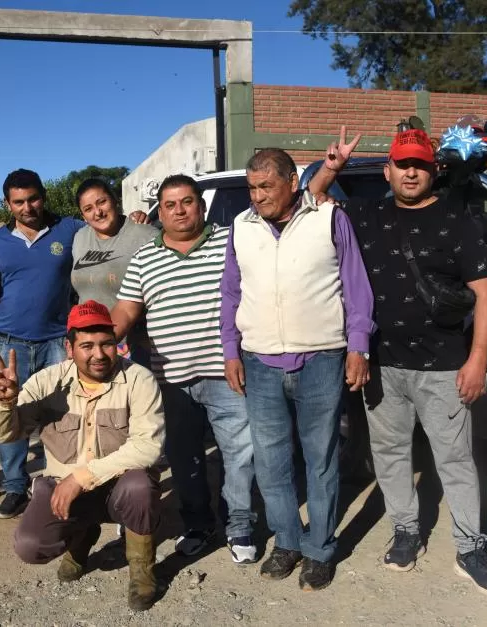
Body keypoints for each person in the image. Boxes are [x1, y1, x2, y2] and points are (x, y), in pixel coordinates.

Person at [347, 128, 487, 595]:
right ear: (388, 171)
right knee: (391, 454)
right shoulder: (367, 214)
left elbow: (485, 295)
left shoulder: (457, 220)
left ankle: (470, 547)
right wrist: (334, 166)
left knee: (455, 459)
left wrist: (477, 360)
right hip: (383, 365)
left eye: (419, 164)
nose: (411, 171)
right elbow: (313, 201)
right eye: (402, 164)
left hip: (444, 366)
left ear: (433, 170)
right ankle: (406, 531)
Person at [220, 140, 376, 591]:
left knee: (320, 458)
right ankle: (287, 541)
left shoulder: (329, 218)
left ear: (293, 183)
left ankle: (319, 549)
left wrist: (357, 346)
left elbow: (355, 287)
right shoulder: (241, 227)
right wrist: (230, 350)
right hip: (260, 361)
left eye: (266, 186)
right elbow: (231, 294)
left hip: (322, 358)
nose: (257, 196)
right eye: (251, 188)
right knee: (270, 462)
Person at [111, 174, 258, 565]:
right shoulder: (145, 257)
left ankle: (239, 524)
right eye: (171, 205)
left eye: (187, 202)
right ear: (160, 211)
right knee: (184, 458)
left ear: (201, 206)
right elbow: (127, 307)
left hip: (227, 373)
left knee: (239, 454)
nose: (179, 211)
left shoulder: (232, 241)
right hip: (170, 380)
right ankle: (198, 524)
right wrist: (102, 338)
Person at [0, 301, 164, 611]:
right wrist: (5, 404)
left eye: (107, 344)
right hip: (62, 491)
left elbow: (147, 447)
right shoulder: (47, 382)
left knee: (140, 486)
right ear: (69, 348)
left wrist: (80, 478)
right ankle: (82, 535)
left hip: (117, 489)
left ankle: (143, 572)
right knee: (31, 547)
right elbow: (6, 434)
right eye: (87, 346)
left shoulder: (139, 380)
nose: (99, 354)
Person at [0, 168, 84, 519]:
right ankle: (15, 487)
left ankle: (55, 482)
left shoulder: (70, 230)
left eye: (33, 198)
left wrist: (131, 219)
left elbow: (105, 234)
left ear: (42, 196)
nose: (27, 206)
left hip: (55, 341)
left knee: (59, 416)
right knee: (8, 413)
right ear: (8, 203)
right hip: (9, 344)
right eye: (19, 201)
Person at [70, 178, 158, 367]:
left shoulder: (145, 235)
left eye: (102, 202)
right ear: (83, 215)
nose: (98, 212)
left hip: (135, 346)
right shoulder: (79, 238)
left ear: (115, 200)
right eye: (88, 208)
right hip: (91, 346)